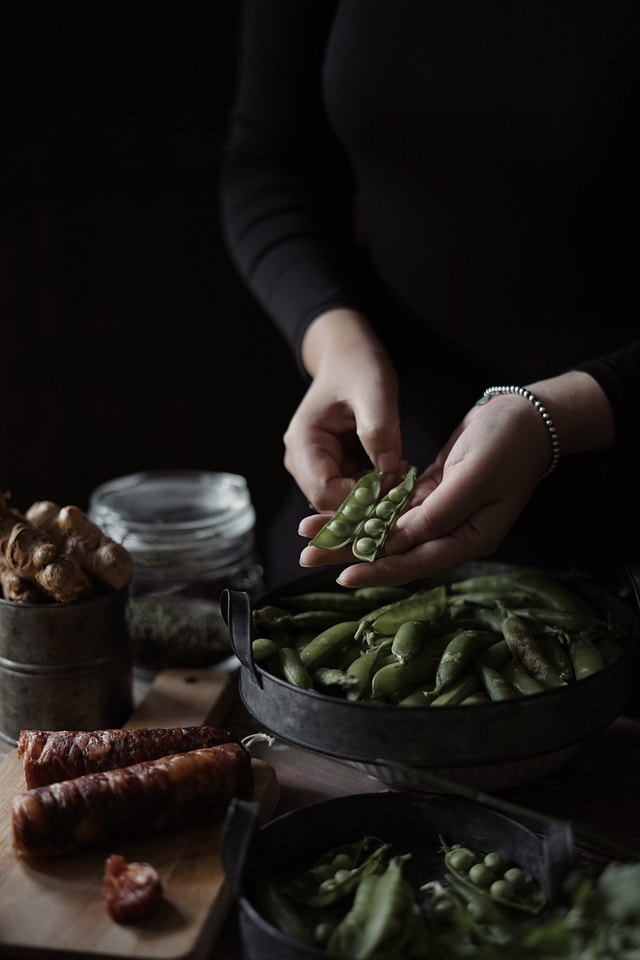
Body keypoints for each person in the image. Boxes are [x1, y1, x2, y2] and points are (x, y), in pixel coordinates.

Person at [219, 1, 640, 593]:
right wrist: (333, 340)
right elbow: (272, 160)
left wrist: (561, 417)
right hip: (387, 476)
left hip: (621, 506)